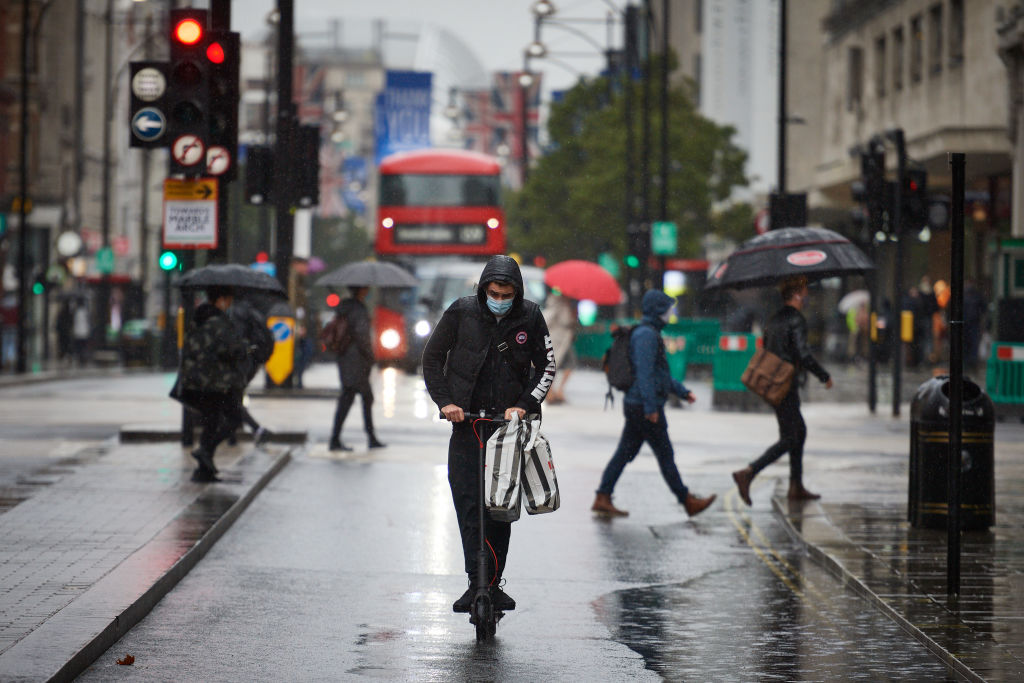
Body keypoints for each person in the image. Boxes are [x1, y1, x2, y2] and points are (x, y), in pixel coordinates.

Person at [421, 255, 556, 614]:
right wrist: (446, 402)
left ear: (517, 292)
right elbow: (432, 359)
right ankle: (474, 581)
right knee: (468, 505)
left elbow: (547, 367)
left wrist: (524, 405)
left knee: (500, 507)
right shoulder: (461, 312)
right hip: (466, 425)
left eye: (507, 293)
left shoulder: (530, 316)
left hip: (508, 430)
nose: (500, 298)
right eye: (494, 292)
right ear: (483, 290)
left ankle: (494, 584)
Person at [592, 289, 717, 519]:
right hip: (643, 405)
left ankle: (603, 495)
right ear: (658, 310)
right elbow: (646, 374)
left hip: (638, 403)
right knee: (664, 454)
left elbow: (659, 374)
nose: (671, 313)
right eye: (668, 309)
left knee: (625, 453)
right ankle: (687, 500)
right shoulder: (646, 336)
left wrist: (682, 391)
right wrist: (651, 408)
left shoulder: (649, 333)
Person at [732, 276, 833, 506]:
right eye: (805, 289)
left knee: (798, 432)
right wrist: (823, 375)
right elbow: (802, 353)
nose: (807, 294)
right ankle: (748, 472)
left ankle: (795, 486)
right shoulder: (796, 320)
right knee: (791, 437)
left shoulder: (775, 318)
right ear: (797, 293)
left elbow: (769, 347)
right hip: (787, 384)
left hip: (774, 384)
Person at [176, 286, 249, 482]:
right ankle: (205, 450)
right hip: (216, 382)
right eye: (229, 299)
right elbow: (230, 349)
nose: (230, 304)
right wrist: (244, 349)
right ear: (221, 300)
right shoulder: (219, 322)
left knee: (211, 421)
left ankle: (203, 471)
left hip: (198, 381)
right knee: (234, 418)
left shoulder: (199, 318)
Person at [328, 286, 385, 451]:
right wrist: (370, 355)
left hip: (346, 358)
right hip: (356, 361)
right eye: (366, 288)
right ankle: (338, 439)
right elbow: (362, 335)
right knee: (356, 398)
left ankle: (367, 437)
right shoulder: (358, 310)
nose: (367, 290)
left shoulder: (345, 308)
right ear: (361, 291)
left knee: (355, 398)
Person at [228, 296, 275, 446]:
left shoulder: (235, 313)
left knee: (230, 399)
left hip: (240, 362)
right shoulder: (254, 313)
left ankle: (258, 430)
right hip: (252, 362)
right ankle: (232, 437)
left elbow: (236, 341)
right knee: (234, 398)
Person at [544, 292, 578, 404]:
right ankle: (550, 393)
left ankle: (559, 391)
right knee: (552, 365)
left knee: (570, 364)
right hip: (556, 338)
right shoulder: (557, 301)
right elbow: (548, 317)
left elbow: (572, 321)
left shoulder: (573, 303)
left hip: (567, 339)